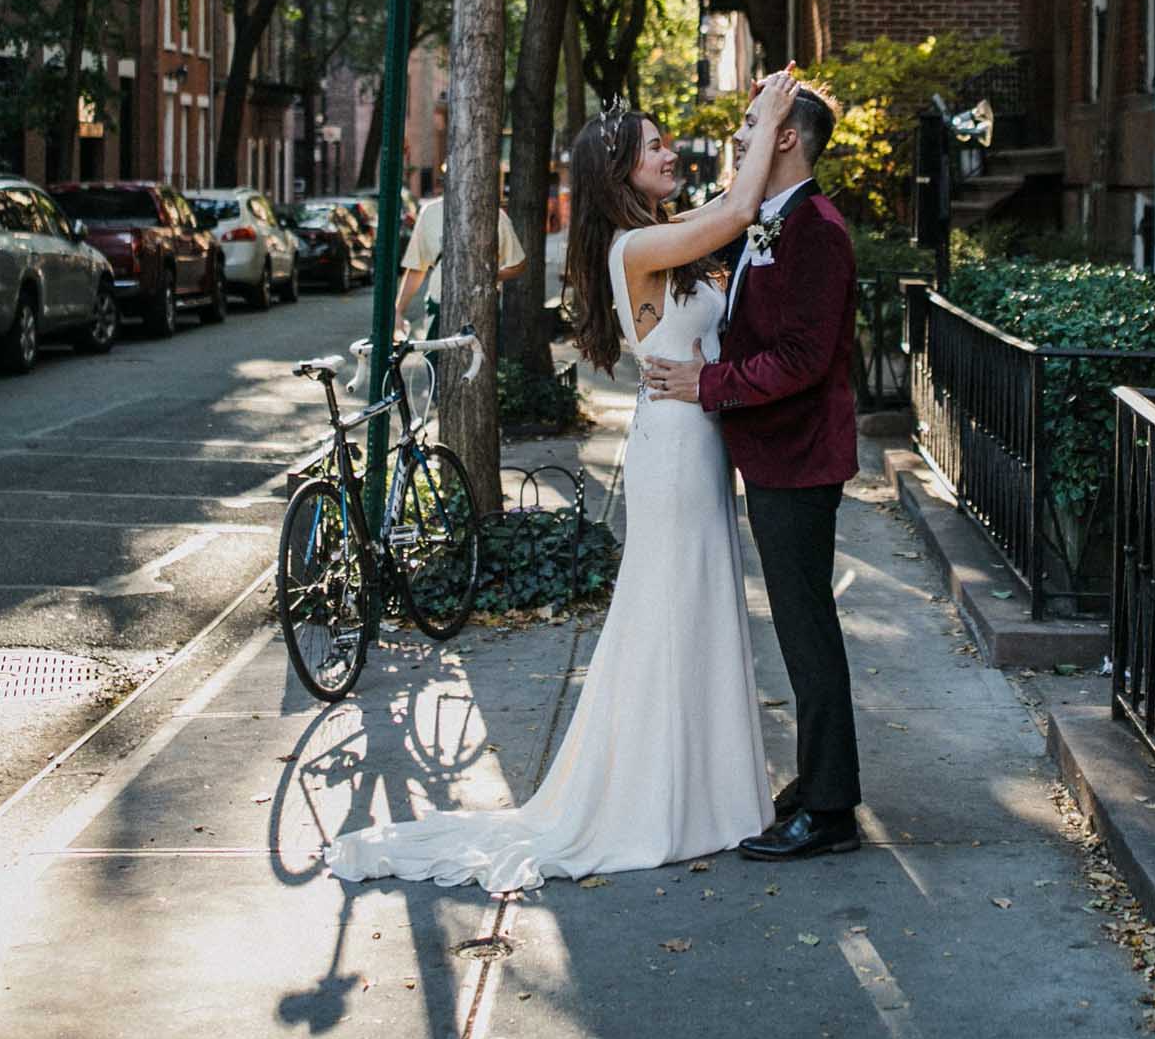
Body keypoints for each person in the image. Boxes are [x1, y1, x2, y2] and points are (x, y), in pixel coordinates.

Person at [326, 71, 802, 891]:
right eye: (654, 145)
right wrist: (775, 118)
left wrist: (758, 127)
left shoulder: (663, 232)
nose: (668, 151)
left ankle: (709, 796)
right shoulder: (634, 248)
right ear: (620, 170)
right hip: (675, 452)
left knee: (698, 608)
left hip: (696, 444)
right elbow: (735, 213)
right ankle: (662, 799)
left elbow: (730, 206)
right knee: (669, 612)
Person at [641, 82, 862, 861]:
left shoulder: (817, 230)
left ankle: (831, 812)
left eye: (754, 125)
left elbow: (801, 359)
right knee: (802, 630)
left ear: (789, 140)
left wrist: (708, 384)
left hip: (801, 458)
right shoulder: (773, 221)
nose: (741, 137)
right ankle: (817, 783)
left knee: (807, 632)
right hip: (773, 455)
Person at [395, 180, 527, 337]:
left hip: (482, 309)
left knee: (480, 360)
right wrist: (398, 311)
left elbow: (518, 264)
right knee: (434, 360)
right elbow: (417, 268)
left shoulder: (495, 215)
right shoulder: (429, 213)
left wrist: (490, 276)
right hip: (438, 306)